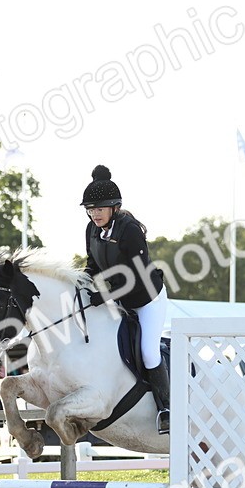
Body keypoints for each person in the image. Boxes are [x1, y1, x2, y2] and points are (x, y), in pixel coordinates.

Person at [81, 164, 170, 434]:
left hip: (147, 298)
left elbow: (136, 277)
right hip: (119, 297)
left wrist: (104, 296)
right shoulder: (91, 229)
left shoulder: (129, 230)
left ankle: (166, 409)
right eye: (91, 209)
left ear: (114, 208)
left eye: (99, 208)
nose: (94, 213)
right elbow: (92, 264)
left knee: (148, 351)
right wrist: (83, 282)